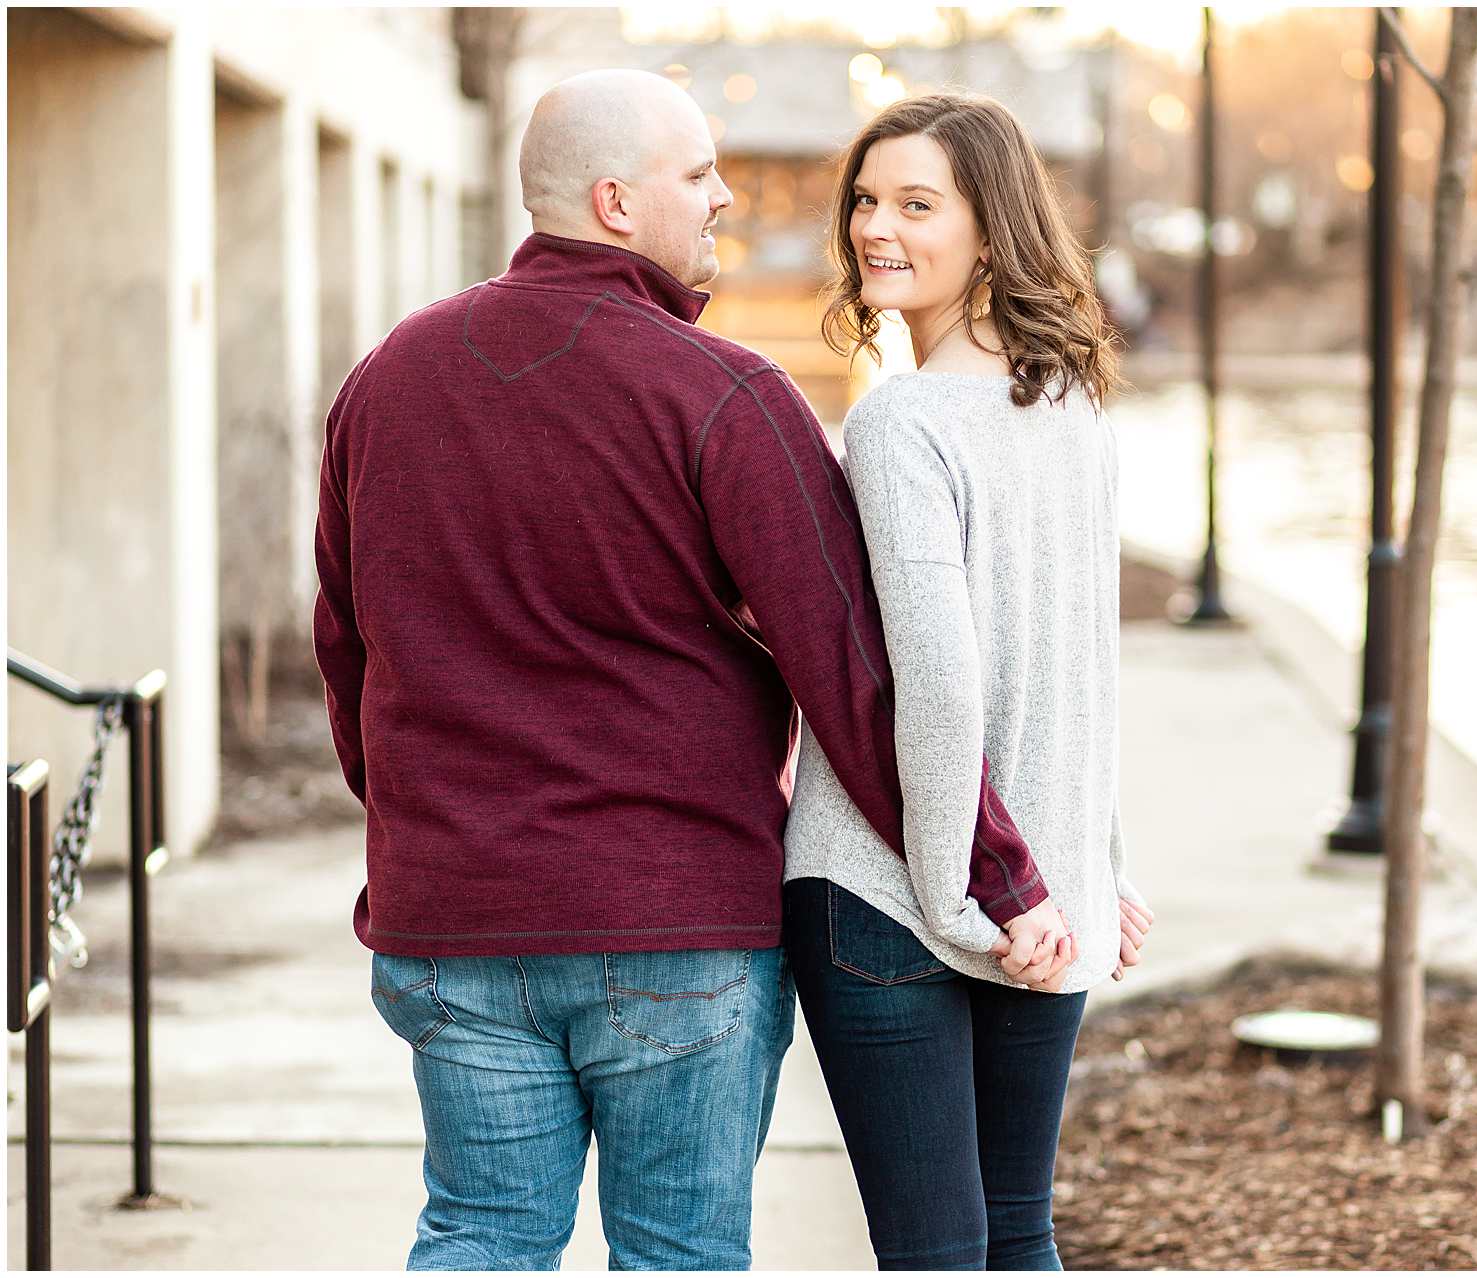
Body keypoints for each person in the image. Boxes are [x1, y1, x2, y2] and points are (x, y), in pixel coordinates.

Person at [313, 70, 1073, 1271]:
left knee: (479, 1235)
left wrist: (432, 829)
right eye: (697, 175)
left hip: (452, 918)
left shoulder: (387, 379)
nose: (723, 197)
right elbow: (855, 678)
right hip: (673, 925)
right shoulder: (724, 394)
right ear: (616, 202)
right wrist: (1002, 874)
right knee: (678, 1255)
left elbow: (346, 646)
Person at [781, 92, 1156, 1271]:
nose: (873, 228)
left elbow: (944, 685)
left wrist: (964, 898)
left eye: (915, 204)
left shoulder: (901, 421)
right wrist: (1086, 866)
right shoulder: (1077, 407)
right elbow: (1082, 667)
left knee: (938, 1254)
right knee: (1016, 1235)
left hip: (898, 890)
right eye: (864, 201)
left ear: (990, 228)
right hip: (1032, 892)